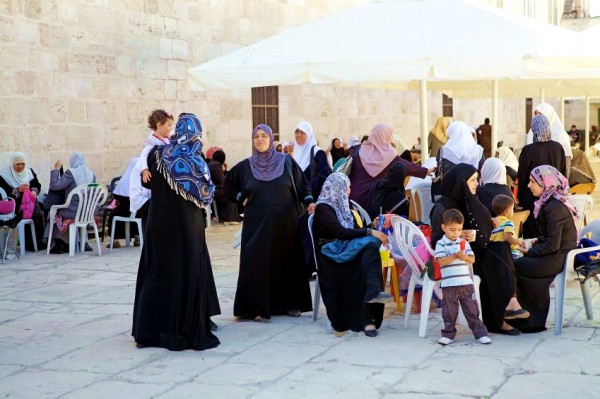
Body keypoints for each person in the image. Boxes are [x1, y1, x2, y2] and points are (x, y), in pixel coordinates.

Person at [132, 113, 221, 351]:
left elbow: (146, 183)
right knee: (185, 275)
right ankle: (185, 328)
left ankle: (147, 332)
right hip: (187, 229)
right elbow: (207, 193)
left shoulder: (155, 154)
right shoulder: (196, 161)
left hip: (158, 225)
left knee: (158, 274)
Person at [225, 124, 313, 320]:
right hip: (256, 223)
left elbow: (302, 186)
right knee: (257, 262)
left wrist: (309, 202)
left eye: (264, 135)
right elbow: (227, 184)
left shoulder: (287, 162)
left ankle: (289, 304)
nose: (260, 139)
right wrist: (241, 197)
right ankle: (256, 307)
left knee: (286, 261)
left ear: (272, 139)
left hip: (286, 223)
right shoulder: (245, 166)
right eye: (256, 136)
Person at [312, 173, 392, 337]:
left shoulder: (344, 208)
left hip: (345, 250)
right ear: (337, 188)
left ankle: (373, 294)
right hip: (330, 257)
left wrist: (372, 225)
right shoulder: (323, 209)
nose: (349, 190)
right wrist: (371, 232)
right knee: (365, 254)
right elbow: (341, 232)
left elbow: (353, 232)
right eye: (347, 187)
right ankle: (367, 318)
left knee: (370, 250)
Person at [509, 165, 579, 333]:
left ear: (546, 183)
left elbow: (553, 244)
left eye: (533, 182)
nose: (528, 185)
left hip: (558, 257)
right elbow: (551, 237)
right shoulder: (552, 202)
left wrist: (530, 251)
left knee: (516, 264)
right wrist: (534, 242)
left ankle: (531, 319)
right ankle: (528, 317)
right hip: (556, 253)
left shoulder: (554, 207)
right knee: (517, 262)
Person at [435, 209, 491, 345]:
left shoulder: (464, 243)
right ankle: (448, 334)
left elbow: (472, 259)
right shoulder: (441, 243)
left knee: (472, 310)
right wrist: (455, 256)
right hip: (449, 285)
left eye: (459, 230)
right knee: (450, 312)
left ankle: (480, 333)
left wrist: (465, 257)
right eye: (452, 229)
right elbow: (440, 261)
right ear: (444, 227)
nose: (456, 233)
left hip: (465, 282)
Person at [348, 124, 430, 209]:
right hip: (371, 203)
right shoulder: (390, 156)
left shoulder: (358, 149)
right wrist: (425, 171)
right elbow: (407, 166)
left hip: (351, 199)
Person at [518, 114, 566, 238]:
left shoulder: (528, 150)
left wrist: (521, 198)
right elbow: (562, 173)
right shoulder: (558, 147)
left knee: (533, 235)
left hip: (532, 198)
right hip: (554, 197)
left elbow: (522, 177)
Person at [43, 152, 97, 254]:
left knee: (55, 213)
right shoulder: (91, 174)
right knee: (63, 211)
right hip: (87, 212)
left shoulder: (71, 173)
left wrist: (56, 169)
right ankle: (83, 242)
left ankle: (59, 243)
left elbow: (54, 186)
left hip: (73, 212)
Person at [432, 121, 485, 202]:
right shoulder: (478, 150)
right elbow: (482, 173)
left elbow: (439, 172)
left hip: (449, 195)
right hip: (472, 194)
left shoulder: (443, 150)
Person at [0, 152, 43, 251]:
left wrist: (34, 191)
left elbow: (37, 185)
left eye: (23, 164)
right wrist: (18, 190)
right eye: (18, 164)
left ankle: (37, 244)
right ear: (13, 164)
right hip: (14, 205)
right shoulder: (5, 176)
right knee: (29, 212)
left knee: (41, 209)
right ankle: (28, 244)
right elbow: (4, 196)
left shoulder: (29, 172)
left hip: (29, 203)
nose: (20, 167)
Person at [526, 103, 572, 177]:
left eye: (540, 113)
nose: (537, 116)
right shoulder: (532, 131)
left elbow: (566, 162)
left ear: (549, 115)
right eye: (535, 113)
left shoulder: (560, 134)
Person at [107, 158, 141, 248]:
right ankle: (137, 236)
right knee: (137, 213)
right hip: (140, 210)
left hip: (125, 210)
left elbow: (117, 196)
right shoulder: (142, 178)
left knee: (113, 214)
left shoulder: (126, 178)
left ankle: (115, 240)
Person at [292, 121, 331, 200]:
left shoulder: (318, 153)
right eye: (297, 131)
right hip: (297, 200)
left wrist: (308, 192)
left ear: (309, 135)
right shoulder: (295, 152)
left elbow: (324, 178)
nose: (299, 134)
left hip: (313, 200)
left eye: (302, 132)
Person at [139, 109, 174, 184]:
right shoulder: (152, 141)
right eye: (169, 125)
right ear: (159, 125)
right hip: (159, 170)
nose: (171, 128)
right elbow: (143, 155)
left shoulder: (168, 134)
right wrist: (145, 169)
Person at [208, 149, 240, 224]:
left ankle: (229, 217)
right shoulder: (216, 165)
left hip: (212, 190)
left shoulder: (211, 163)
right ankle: (229, 219)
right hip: (214, 191)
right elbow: (222, 181)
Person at [491, 194, 525, 260]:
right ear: (507, 210)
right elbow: (508, 238)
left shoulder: (493, 223)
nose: (513, 210)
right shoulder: (508, 223)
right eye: (512, 208)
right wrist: (519, 242)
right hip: (511, 254)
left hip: (497, 254)